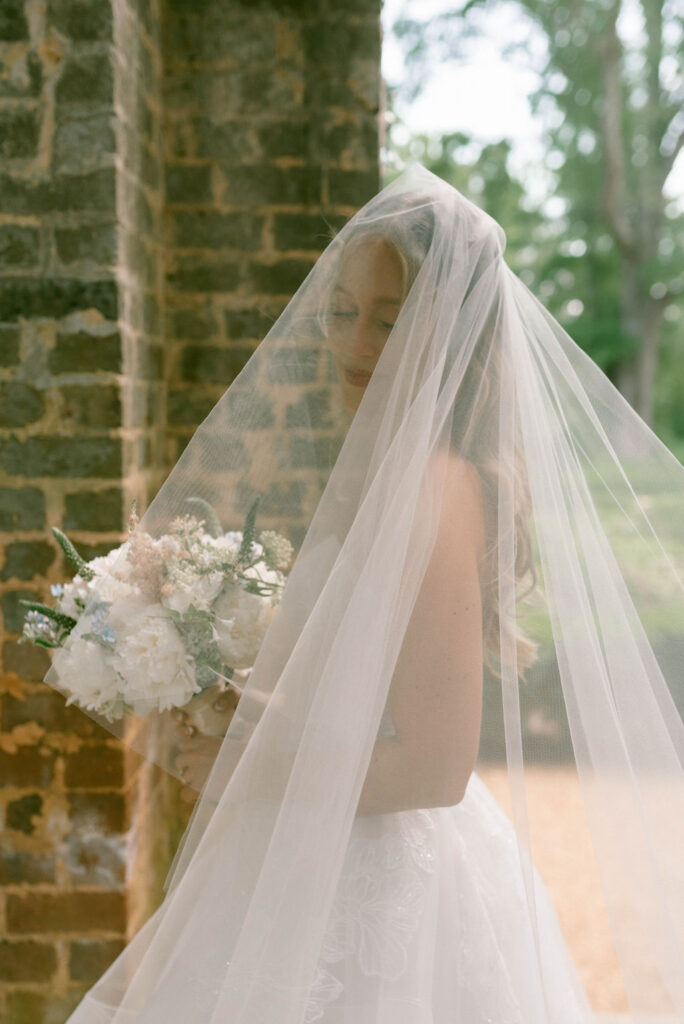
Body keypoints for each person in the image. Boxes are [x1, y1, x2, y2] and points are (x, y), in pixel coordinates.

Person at [45, 164, 683, 1022]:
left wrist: (251, 766)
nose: (353, 343)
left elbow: (434, 765)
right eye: (344, 312)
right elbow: (364, 706)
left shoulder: (436, 487)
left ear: (450, 333)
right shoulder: (387, 473)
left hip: (382, 879)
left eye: (390, 320)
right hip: (316, 844)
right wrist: (244, 709)